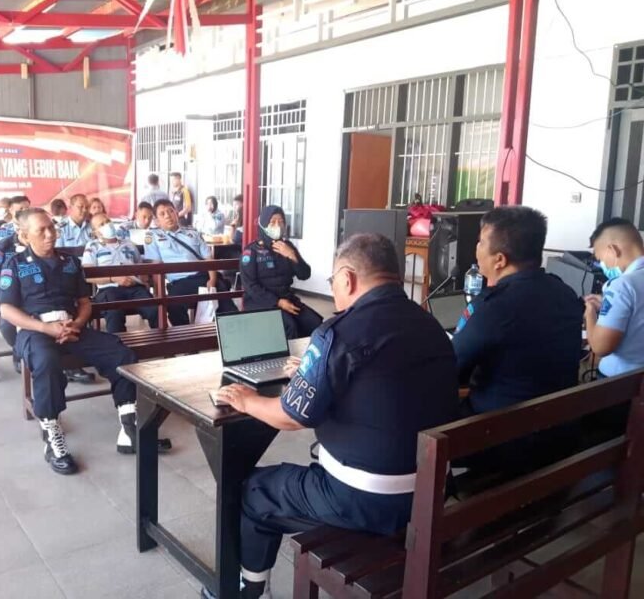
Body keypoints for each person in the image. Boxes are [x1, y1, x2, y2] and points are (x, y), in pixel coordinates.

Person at [202, 234, 459, 599]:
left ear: (348, 278)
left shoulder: (340, 332)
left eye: (333, 281)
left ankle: (248, 589)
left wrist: (247, 400)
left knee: (256, 491)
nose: (334, 289)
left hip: (363, 499)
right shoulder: (429, 324)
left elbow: (290, 416)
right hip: (430, 492)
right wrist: (311, 372)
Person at [0, 208, 144, 472]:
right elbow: (7, 310)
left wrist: (76, 324)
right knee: (46, 361)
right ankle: (52, 437)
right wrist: (45, 328)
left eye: (51, 228)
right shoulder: (15, 265)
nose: (49, 234)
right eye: (41, 230)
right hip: (35, 330)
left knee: (121, 354)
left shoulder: (69, 262)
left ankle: (129, 429)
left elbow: (84, 302)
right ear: (24, 236)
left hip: (71, 327)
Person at [452, 206, 584, 475]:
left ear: (499, 260)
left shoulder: (494, 307)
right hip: (559, 433)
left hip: (503, 440)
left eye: (480, 242)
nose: (477, 248)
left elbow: (452, 368)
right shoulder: (565, 293)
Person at [143, 199, 238, 326]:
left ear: (176, 213)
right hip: (180, 282)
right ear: (156, 220)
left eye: (170, 211)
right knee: (174, 305)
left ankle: (231, 331)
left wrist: (212, 280)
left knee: (227, 306)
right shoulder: (152, 236)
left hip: (202, 277)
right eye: (162, 214)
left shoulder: (193, 233)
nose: (168, 216)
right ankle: (185, 336)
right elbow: (156, 267)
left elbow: (208, 258)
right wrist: (158, 293)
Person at [240, 205, 321, 339]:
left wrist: (292, 256)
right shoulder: (251, 251)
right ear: (263, 224)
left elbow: (305, 275)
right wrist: (278, 302)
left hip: (287, 298)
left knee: (315, 323)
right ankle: (288, 354)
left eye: (281, 222)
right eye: (272, 222)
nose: (277, 226)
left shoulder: (287, 247)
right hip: (260, 303)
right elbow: (250, 286)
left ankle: (306, 353)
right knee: (289, 326)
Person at [585, 218, 644, 378]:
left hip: (622, 380)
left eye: (601, 259)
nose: (603, 265)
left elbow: (600, 347)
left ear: (612, 250)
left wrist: (590, 312)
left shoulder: (622, 286)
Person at [82, 214, 158, 332]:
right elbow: (87, 274)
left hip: (134, 287)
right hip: (109, 289)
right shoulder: (93, 246)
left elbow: (140, 265)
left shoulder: (128, 243)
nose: (107, 225)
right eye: (102, 224)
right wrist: (113, 278)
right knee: (115, 314)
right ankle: (119, 343)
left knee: (154, 310)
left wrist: (145, 282)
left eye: (107, 221)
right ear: (96, 232)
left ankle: (162, 341)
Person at [53, 193, 94, 383]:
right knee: (70, 310)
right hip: (66, 276)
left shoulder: (92, 227)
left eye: (86, 207)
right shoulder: (60, 228)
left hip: (91, 275)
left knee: (89, 305)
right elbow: (57, 256)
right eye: (80, 207)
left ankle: (85, 353)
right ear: (70, 207)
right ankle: (70, 364)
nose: (84, 210)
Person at [0, 208, 29, 373]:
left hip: (38, 296)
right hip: (10, 296)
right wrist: (7, 301)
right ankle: (18, 350)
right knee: (7, 326)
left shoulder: (42, 244)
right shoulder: (2, 247)